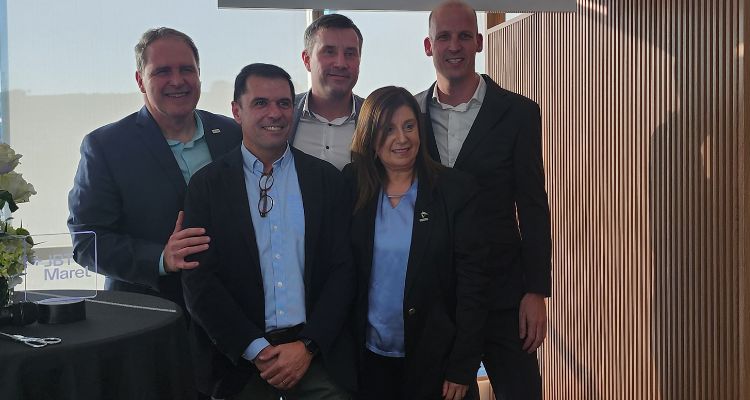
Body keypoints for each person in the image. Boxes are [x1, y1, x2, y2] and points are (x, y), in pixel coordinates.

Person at [181, 63, 355, 400]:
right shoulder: (207, 186)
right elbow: (199, 282)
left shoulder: (326, 181)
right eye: (260, 103)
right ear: (237, 111)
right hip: (239, 368)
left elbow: (344, 271)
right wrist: (256, 349)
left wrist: (308, 346)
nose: (274, 113)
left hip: (318, 361)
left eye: (283, 103)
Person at [415, 2, 553, 399]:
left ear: (478, 42)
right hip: (437, 301)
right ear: (429, 45)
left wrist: (536, 291)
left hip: (504, 296)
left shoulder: (519, 113)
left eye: (463, 36)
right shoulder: (410, 117)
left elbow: (533, 206)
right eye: (444, 37)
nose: (454, 46)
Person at [67, 27, 242, 308]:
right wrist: (161, 258)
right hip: (149, 315)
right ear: (140, 80)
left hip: (232, 309)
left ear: (199, 74)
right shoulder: (106, 146)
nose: (177, 81)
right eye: (162, 71)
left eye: (187, 69)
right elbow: (87, 242)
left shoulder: (233, 133)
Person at [345, 86, 488, 400]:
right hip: (368, 362)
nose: (402, 138)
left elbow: (473, 286)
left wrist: (462, 366)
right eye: (389, 129)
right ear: (370, 135)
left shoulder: (455, 190)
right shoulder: (352, 185)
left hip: (437, 364)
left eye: (409, 126)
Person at [289, 13, 364, 170]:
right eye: (329, 52)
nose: (341, 63)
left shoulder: (376, 118)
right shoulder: (283, 113)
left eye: (350, 54)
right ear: (307, 60)